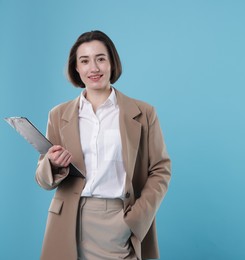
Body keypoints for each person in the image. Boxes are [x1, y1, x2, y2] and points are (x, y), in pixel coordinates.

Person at [35, 30, 171, 260]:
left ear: (112, 63)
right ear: (76, 68)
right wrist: (51, 164)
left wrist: (134, 219)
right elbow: (43, 180)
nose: (93, 68)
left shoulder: (143, 113)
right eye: (84, 61)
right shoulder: (58, 115)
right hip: (68, 222)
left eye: (100, 58)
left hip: (118, 219)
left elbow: (160, 170)